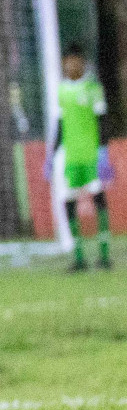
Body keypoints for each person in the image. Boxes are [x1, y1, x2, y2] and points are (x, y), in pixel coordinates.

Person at [53, 41, 113, 271]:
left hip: (90, 154)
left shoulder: (92, 88)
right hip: (70, 156)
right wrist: (52, 154)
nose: (70, 64)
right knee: (69, 201)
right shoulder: (62, 90)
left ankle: (104, 254)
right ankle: (79, 257)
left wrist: (103, 151)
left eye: (74, 59)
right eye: (67, 60)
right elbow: (60, 124)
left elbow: (102, 121)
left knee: (99, 199)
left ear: (82, 62)